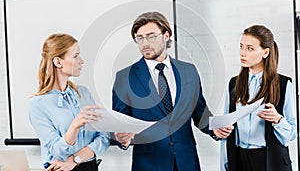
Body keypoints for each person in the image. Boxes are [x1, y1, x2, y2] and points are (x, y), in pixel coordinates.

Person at [112, 11, 232, 171]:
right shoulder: (125, 77)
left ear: (166, 35)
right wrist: (119, 137)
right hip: (149, 164)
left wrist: (214, 128)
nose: (145, 43)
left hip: (187, 162)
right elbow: (118, 122)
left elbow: (200, 113)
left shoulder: (189, 71)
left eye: (151, 36)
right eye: (139, 38)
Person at [217, 25, 297, 171]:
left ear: (265, 52)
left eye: (250, 48)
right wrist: (224, 165)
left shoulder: (283, 84)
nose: (243, 53)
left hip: (271, 161)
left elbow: (291, 134)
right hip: (239, 160)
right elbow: (227, 128)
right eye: (241, 47)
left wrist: (277, 119)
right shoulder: (233, 84)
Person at [28, 33, 110, 171]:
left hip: (89, 167)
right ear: (58, 62)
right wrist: (75, 126)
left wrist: (76, 159)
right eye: (75, 56)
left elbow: (104, 137)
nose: (81, 61)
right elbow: (57, 152)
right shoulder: (38, 104)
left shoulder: (83, 93)